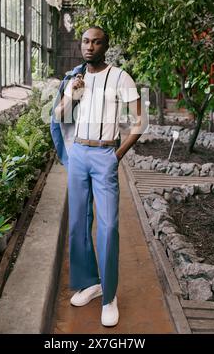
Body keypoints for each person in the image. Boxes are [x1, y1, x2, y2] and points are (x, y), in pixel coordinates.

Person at [52, 26, 147, 327]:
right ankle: (90, 283)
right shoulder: (74, 78)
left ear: (106, 46)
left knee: (108, 226)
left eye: (96, 42)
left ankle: (109, 296)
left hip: (105, 154)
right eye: (85, 41)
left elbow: (140, 122)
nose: (89, 46)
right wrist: (72, 96)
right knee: (79, 222)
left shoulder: (121, 77)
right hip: (79, 153)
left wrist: (116, 155)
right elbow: (59, 117)